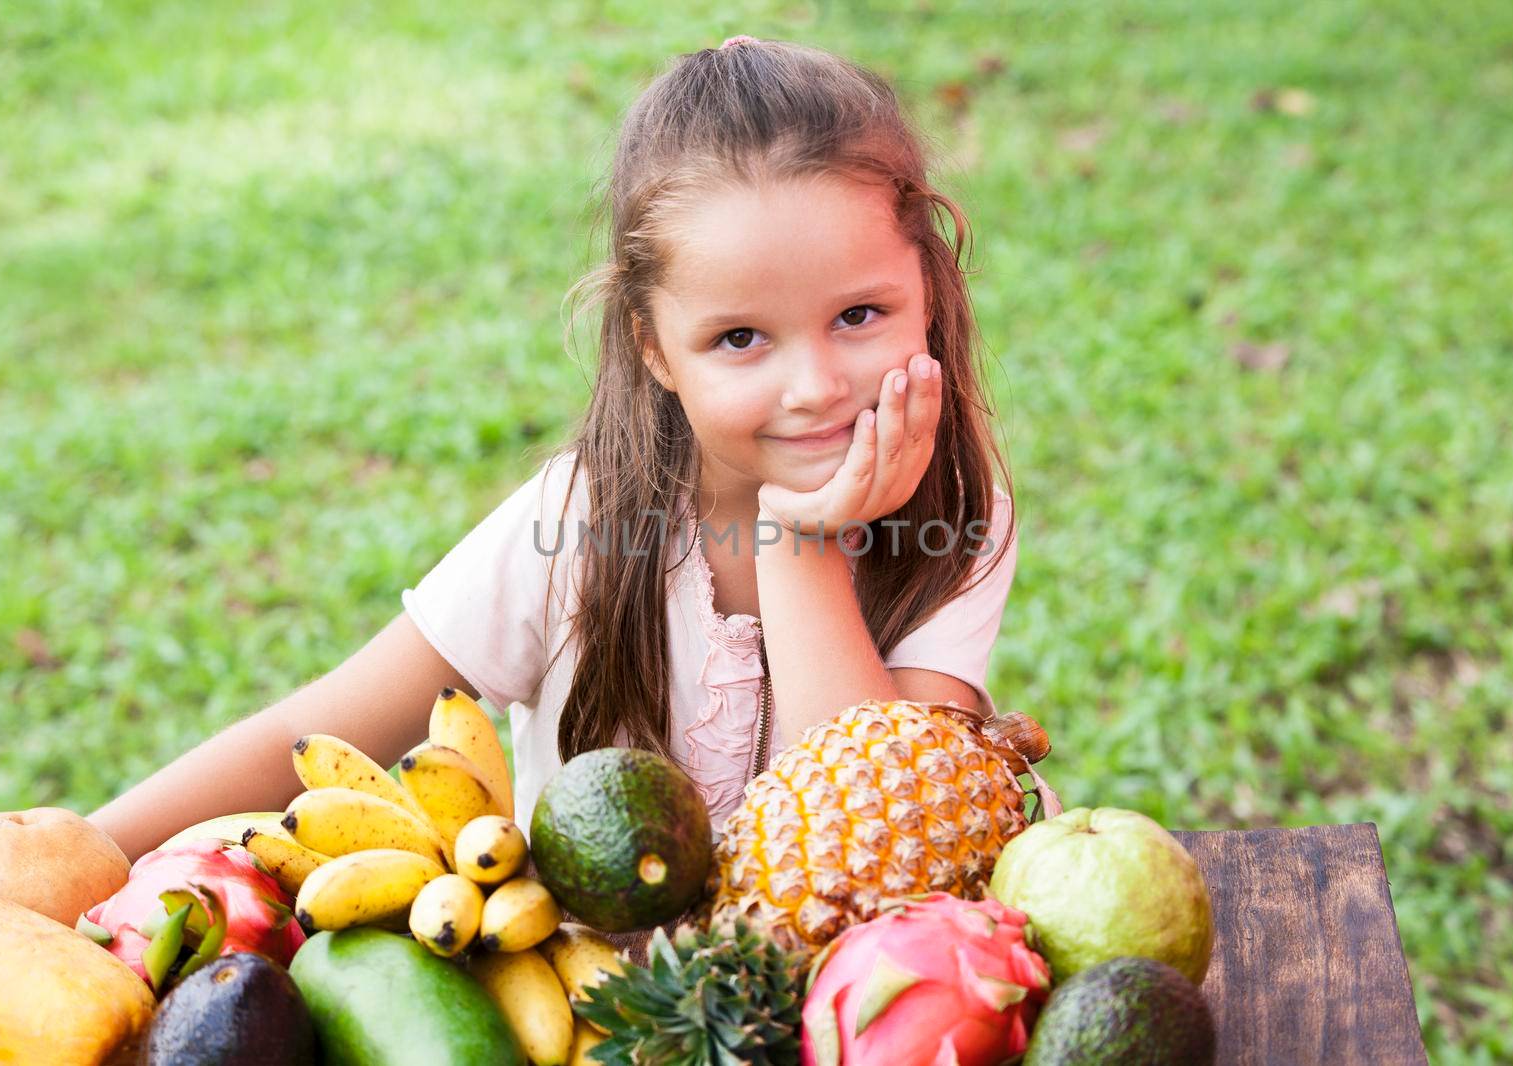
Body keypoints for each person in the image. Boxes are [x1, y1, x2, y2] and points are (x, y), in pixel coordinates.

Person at [85, 34, 1020, 861]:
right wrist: (83, 852)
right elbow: (316, 732)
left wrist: (804, 544)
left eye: (859, 314)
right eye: (740, 339)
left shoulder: (957, 513)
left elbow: (875, 834)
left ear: (928, 290)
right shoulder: (577, 521)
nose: (814, 386)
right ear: (654, 347)